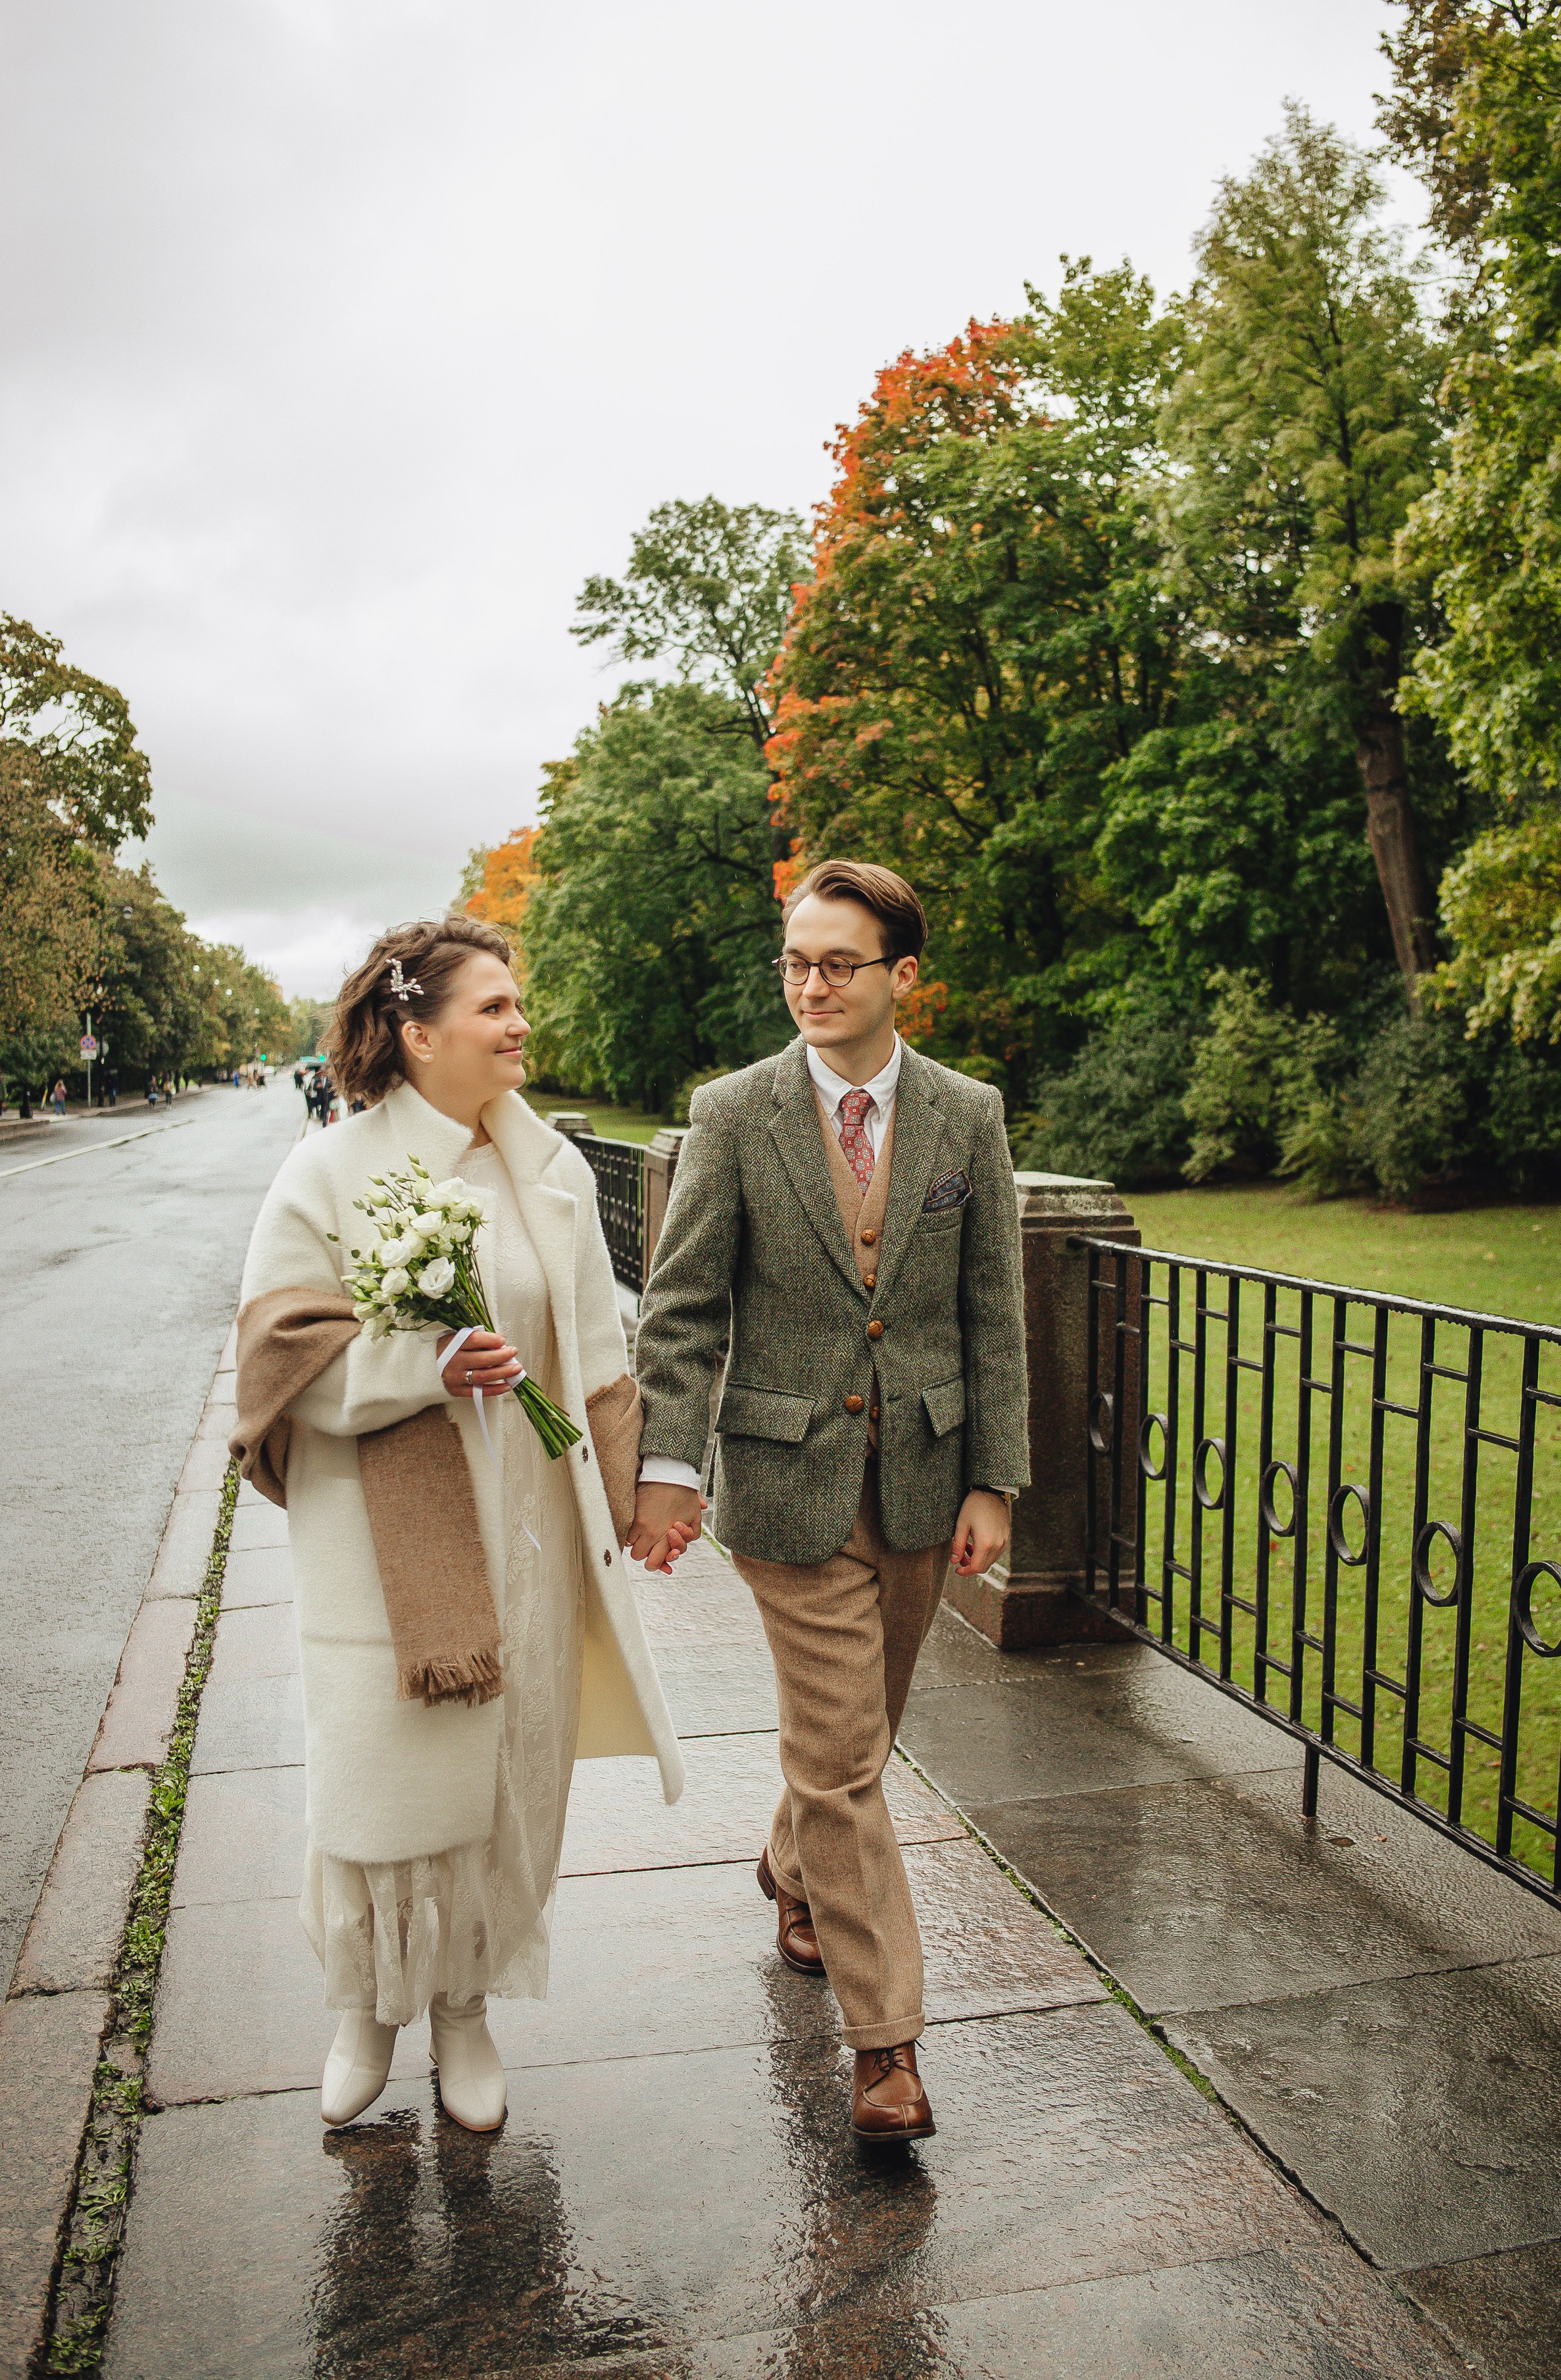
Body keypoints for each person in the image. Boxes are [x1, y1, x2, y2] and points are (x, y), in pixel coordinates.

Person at [232, 916, 685, 2133]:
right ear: (418, 1032)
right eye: (494, 1007)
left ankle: (466, 2006)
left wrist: (640, 1489)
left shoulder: (552, 1173)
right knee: (386, 1778)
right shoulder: (326, 1174)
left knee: (510, 1772)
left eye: (518, 1002)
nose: (519, 1023)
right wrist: (419, 1367)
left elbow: (596, 1349)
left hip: (529, 1527)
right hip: (382, 1550)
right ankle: (366, 2007)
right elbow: (275, 1361)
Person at [632, 859, 1030, 2143]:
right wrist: (666, 1471)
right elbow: (683, 1311)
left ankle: (790, 1865)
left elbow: (991, 1314)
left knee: (851, 1743)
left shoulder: (965, 1116)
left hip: (920, 1479)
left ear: (900, 976)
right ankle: (885, 2052)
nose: (809, 983)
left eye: (837, 963)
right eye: (794, 962)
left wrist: (995, 1483)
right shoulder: (731, 1114)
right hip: (785, 1487)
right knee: (851, 1762)